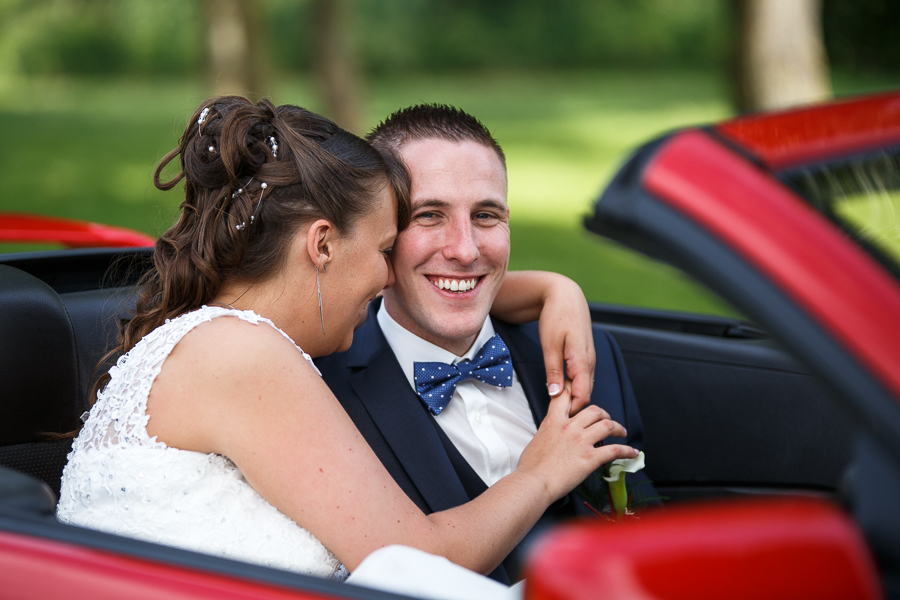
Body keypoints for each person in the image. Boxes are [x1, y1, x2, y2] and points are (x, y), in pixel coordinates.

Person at [56, 96, 638, 591]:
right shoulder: (245, 357)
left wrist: (551, 288)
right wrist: (538, 474)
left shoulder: (216, 340)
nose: (389, 280)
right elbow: (411, 564)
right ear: (323, 246)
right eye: (388, 250)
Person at [316, 104, 656, 584]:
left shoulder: (583, 353)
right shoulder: (320, 390)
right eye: (429, 215)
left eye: (486, 215)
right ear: (382, 235)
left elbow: (642, 530)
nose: (466, 249)